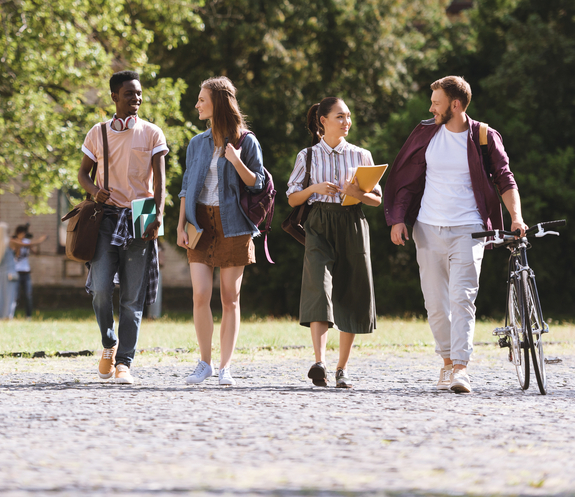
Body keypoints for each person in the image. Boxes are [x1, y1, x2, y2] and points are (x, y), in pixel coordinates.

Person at [384, 76, 525, 394]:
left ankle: (461, 368)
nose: (431, 108)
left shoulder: (483, 136)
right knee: (435, 304)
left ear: (456, 105)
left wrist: (516, 216)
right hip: (428, 228)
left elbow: (505, 178)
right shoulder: (425, 133)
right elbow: (406, 178)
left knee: (462, 299)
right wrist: (398, 219)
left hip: (469, 229)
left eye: (436, 103)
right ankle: (446, 363)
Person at [78, 70, 167, 385]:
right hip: (106, 214)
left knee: (133, 296)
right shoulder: (97, 133)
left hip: (142, 211)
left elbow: (160, 179)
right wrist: (93, 190)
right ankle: (108, 343)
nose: (137, 99)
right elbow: (83, 175)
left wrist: (158, 214)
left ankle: (124, 363)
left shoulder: (153, 133)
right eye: (129, 93)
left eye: (139, 93)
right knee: (100, 288)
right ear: (114, 96)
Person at [177, 77, 266, 386]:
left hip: (234, 224)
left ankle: (225, 366)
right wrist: (180, 225)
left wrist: (237, 161)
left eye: (202, 99)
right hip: (200, 223)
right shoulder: (196, 143)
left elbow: (258, 183)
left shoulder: (246, 141)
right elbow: (186, 186)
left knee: (230, 298)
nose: (198, 104)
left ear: (218, 103)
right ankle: (205, 363)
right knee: (200, 294)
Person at [286, 97, 380, 389]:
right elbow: (291, 197)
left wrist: (356, 191)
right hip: (319, 223)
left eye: (348, 117)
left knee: (350, 291)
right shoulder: (308, 156)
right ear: (323, 120)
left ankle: (342, 369)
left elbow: (377, 199)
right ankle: (320, 362)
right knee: (318, 287)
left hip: (352, 222)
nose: (346, 122)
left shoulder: (361, 155)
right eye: (340, 116)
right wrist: (313, 188)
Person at [10, 224, 47, 319]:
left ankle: (28, 316)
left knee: (28, 295)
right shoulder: (14, 242)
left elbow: (34, 252)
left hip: (26, 272)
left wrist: (35, 247)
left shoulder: (27, 242)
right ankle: (11, 314)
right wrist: (39, 241)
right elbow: (17, 255)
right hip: (17, 272)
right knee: (15, 295)